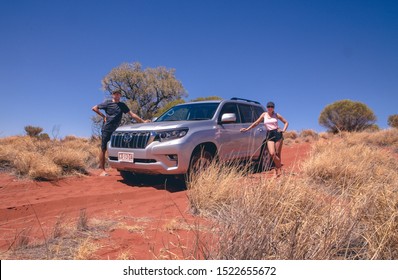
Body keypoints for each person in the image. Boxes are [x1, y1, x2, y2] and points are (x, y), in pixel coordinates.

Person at [92, 89, 148, 176]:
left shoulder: (122, 105)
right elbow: (94, 108)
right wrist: (103, 116)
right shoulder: (108, 103)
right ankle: (102, 170)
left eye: (118, 94)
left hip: (117, 130)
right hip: (107, 129)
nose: (117, 95)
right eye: (115, 94)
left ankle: (121, 168)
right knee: (103, 149)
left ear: (120, 96)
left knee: (118, 148)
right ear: (112, 95)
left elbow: (131, 114)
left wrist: (142, 121)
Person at [240, 101, 289, 177]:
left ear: (273, 108)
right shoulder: (264, 115)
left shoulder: (276, 115)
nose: (270, 108)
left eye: (271, 107)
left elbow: (286, 122)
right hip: (269, 134)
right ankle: (279, 167)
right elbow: (256, 123)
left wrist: (283, 130)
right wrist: (247, 129)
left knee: (278, 154)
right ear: (266, 107)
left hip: (277, 134)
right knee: (272, 153)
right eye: (268, 106)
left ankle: (277, 172)